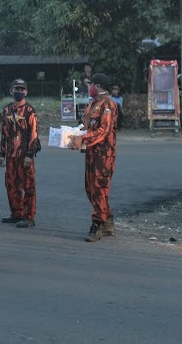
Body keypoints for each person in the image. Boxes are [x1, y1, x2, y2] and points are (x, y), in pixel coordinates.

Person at [69, 73, 118, 242]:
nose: (89, 87)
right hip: (91, 152)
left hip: (103, 154)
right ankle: (108, 219)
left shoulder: (108, 105)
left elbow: (103, 131)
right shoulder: (93, 104)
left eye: (91, 85)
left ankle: (97, 225)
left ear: (97, 86)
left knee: (99, 188)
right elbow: (87, 125)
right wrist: (73, 134)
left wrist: (83, 138)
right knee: (90, 188)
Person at [0, 79, 40, 228]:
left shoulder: (30, 111)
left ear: (26, 92)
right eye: (17, 89)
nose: (19, 92)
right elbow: (4, 133)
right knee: (11, 185)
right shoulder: (7, 110)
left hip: (24, 155)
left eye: (22, 89)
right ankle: (16, 214)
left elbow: (34, 134)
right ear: (11, 91)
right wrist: (2, 154)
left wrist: (30, 154)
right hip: (10, 154)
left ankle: (29, 217)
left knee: (28, 185)